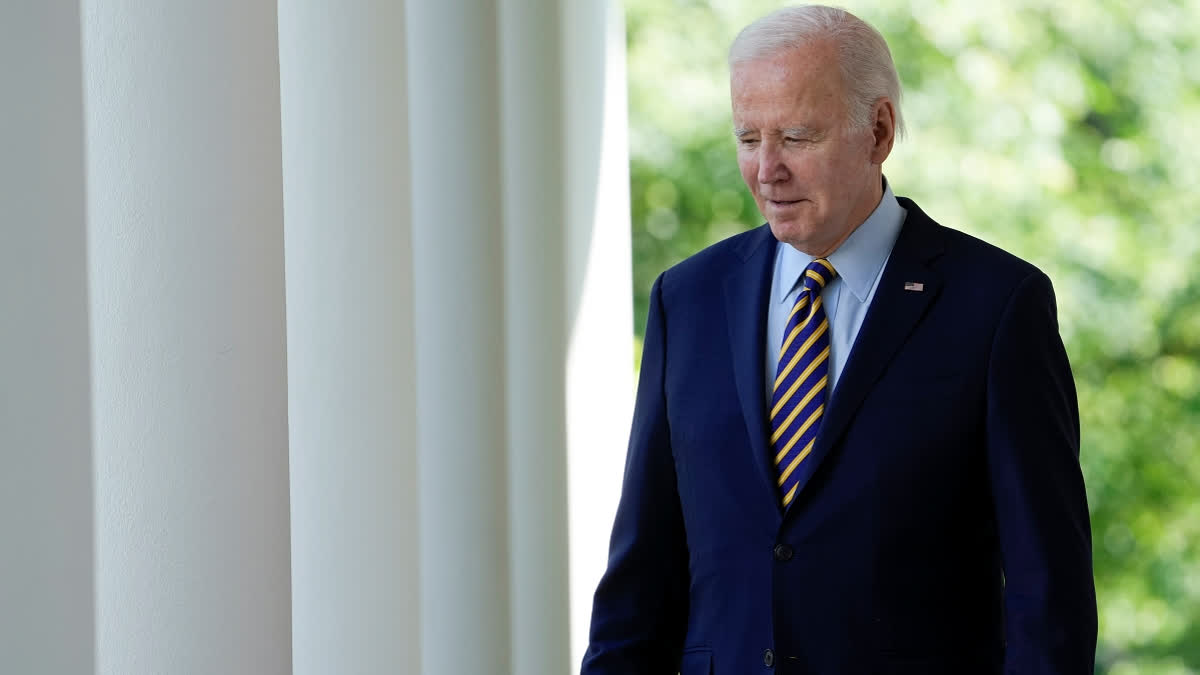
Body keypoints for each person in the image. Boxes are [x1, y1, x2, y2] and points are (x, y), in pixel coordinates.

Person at [581, 5, 1097, 674]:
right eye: (747, 137)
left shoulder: (997, 306)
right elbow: (639, 580)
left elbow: (1047, 596)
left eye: (796, 137)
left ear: (877, 131)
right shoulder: (687, 300)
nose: (766, 169)